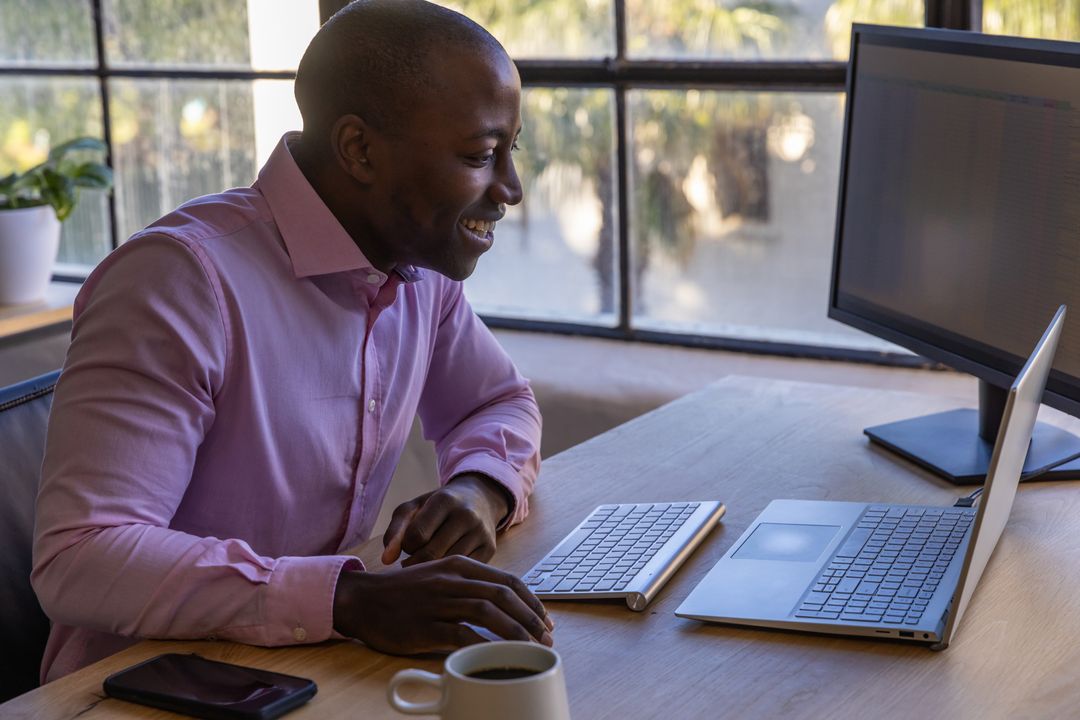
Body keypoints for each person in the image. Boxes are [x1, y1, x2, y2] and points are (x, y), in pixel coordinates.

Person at [31, 0, 552, 683]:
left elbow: (497, 403)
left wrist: (479, 489)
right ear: (359, 150)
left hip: (308, 664)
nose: (510, 190)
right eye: (481, 156)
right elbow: (81, 557)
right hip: (144, 688)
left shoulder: (415, 268)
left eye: (512, 152)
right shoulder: (177, 283)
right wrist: (347, 598)